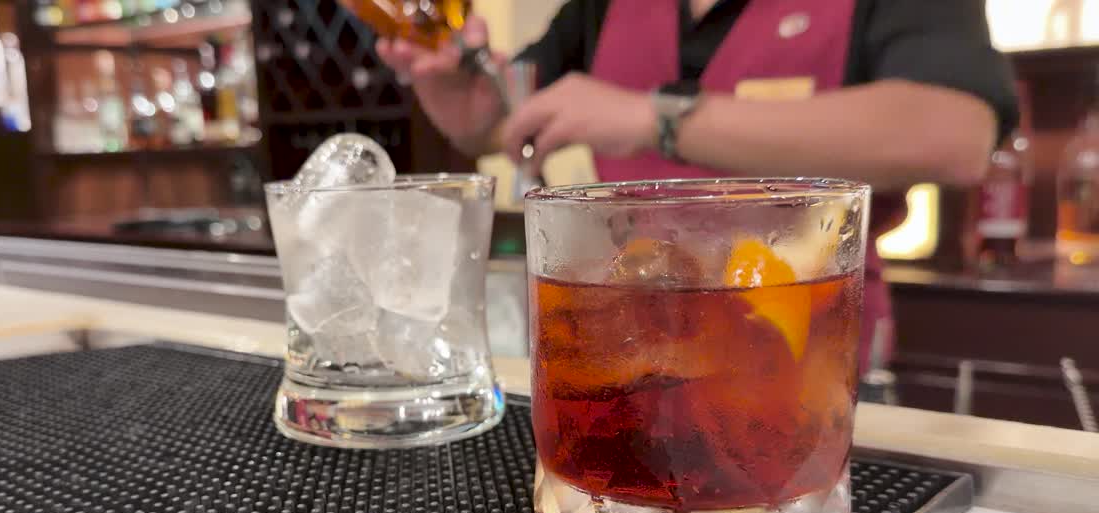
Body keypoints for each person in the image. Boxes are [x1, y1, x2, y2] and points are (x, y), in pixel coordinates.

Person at [377, 0, 1020, 369]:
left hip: (805, 347)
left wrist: (656, 118)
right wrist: (462, 99)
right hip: (632, 341)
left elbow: (955, 133)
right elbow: (505, 118)